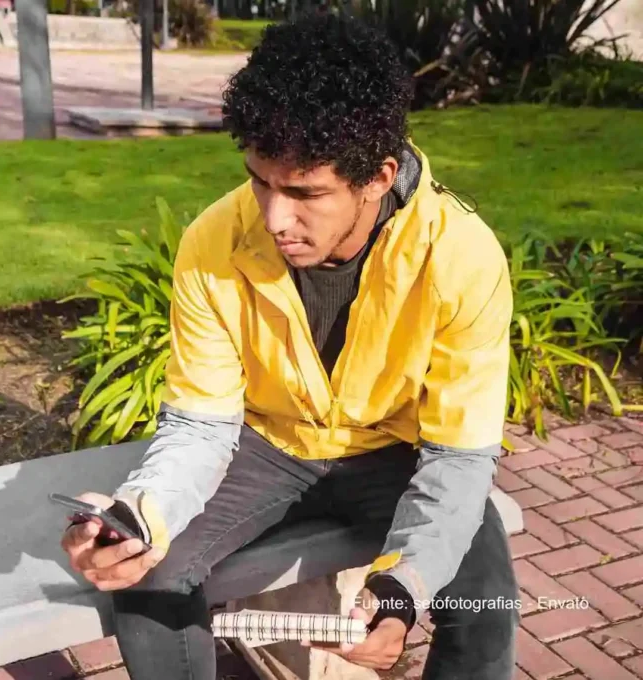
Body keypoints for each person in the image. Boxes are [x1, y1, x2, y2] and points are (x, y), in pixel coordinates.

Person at [60, 11, 519, 680]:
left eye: (306, 192)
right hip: (262, 446)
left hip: (395, 451)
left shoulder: (462, 258)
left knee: (484, 589)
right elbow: (199, 424)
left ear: (378, 176)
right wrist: (139, 516)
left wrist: (400, 591)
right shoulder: (212, 242)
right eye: (260, 180)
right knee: (147, 575)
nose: (275, 217)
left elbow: (457, 458)